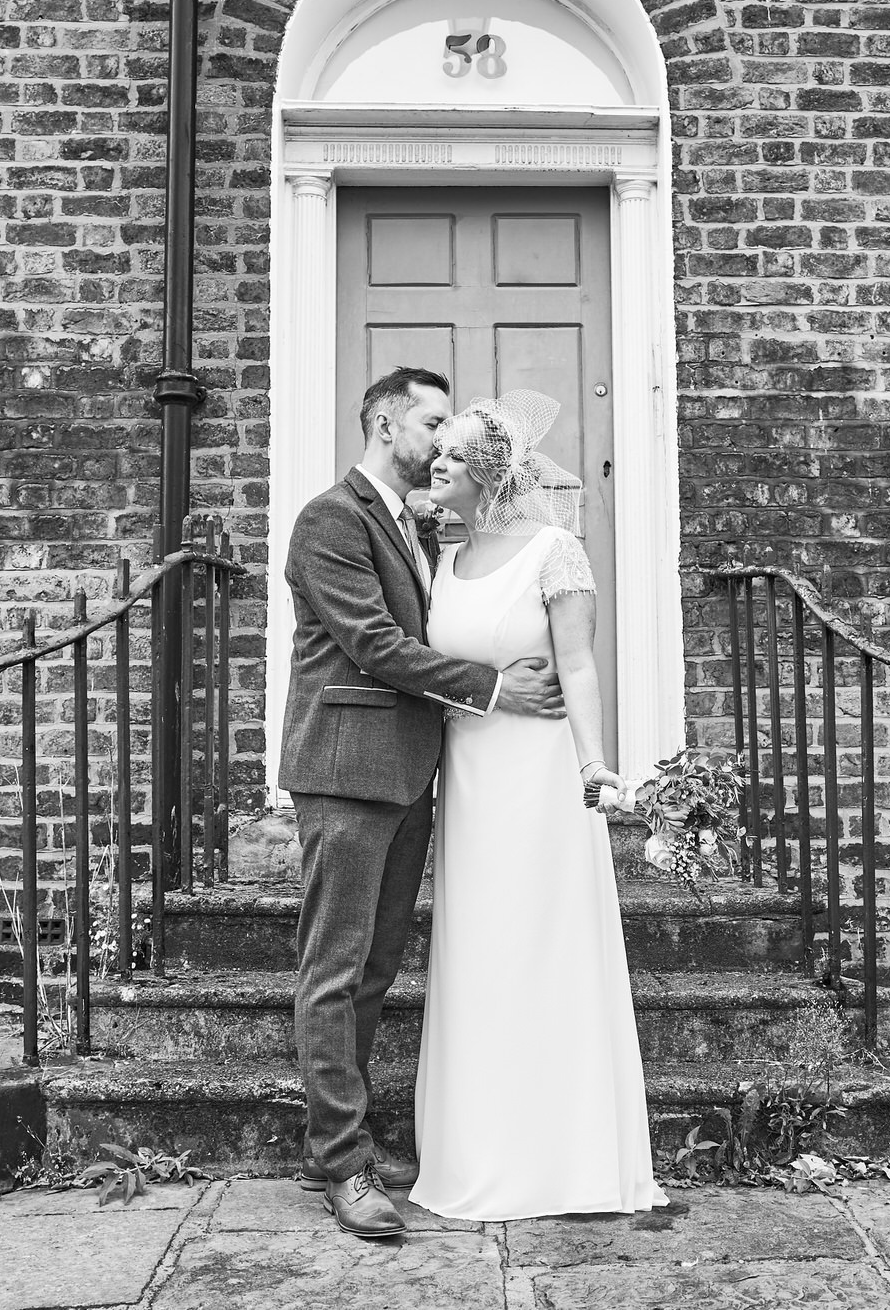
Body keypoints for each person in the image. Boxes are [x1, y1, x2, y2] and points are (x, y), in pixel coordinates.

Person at [278, 366, 568, 1239]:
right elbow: (374, 644)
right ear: (384, 422)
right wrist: (494, 688)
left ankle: (330, 1142)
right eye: (433, 421)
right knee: (333, 969)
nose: (444, 438)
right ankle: (343, 1163)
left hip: (408, 772)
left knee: (373, 969)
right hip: (345, 770)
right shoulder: (331, 519)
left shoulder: (416, 524)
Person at [407, 389, 667, 1221]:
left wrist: (595, 762)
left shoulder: (556, 551)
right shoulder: (443, 558)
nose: (437, 461)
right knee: (479, 954)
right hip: (469, 780)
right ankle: (482, 1149)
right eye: (438, 449)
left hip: (541, 777)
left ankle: (563, 1157)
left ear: (488, 474)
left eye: (453, 454)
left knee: (540, 947)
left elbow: (577, 664)